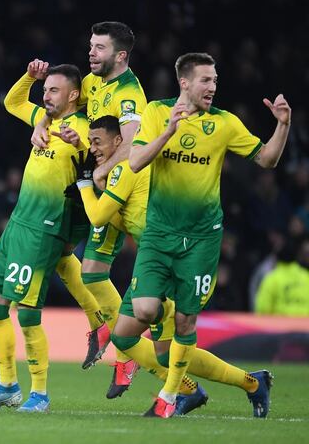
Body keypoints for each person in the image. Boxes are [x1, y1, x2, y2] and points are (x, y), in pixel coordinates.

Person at [125, 52, 290, 418]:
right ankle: (241, 379)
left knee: (186, 322)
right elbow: (135, 162)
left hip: (201, 239)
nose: (212, 87)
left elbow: (267, 159)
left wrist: (282, 125)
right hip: (159, 234)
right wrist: (169, 130)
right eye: (205, 80)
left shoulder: (225, 123)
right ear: (184, 82)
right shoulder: (155, 113)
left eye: (215, 80)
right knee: (145, 309)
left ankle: (170, 397)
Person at [74, 115, 270, 417]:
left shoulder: (125, 168)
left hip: (171, 259)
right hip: (154, 258)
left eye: (97, 142)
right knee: (124, 337)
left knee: (166, 353)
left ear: (118, 141)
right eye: (90, 143)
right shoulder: (128, 168)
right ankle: (229, 385)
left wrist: (86, 184)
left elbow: (99, 217)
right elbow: (123, 221)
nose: (93, 149)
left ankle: (223, 387)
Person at [31, 22, 148, 395]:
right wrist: (45, 122)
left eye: (99, 48)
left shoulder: (130, 95)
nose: (91, 53)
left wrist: (98, 173)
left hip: (130, 189)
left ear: (121, 55)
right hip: (104, 184)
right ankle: (125, 353)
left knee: (155, 287)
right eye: (91, 46)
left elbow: (132, 144)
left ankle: (159, 362)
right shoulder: (96, 84)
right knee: (94, 272)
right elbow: (62, 105)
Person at [0, 64, 89, 412]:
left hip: (45, 228)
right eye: (45, 89)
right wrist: (30, 78)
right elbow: (12, 101)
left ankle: (40, 393)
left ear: (73, 95)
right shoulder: (44, 121)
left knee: (27, 312)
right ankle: (6, 385)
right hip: (18, 223)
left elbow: (96, 169)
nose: (45, 95)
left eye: (53, 90)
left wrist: (80, 145)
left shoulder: (82, 129)